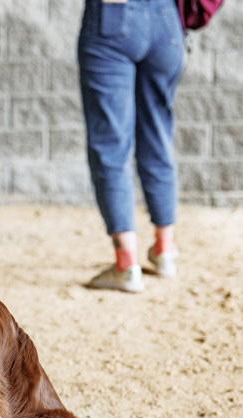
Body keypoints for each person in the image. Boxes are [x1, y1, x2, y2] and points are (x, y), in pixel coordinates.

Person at [79, 0, 185, 293]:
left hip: (112, 15)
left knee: (110, 144)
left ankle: (126, 265)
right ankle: (165, 249)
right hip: (167, 20)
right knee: (158, 132)